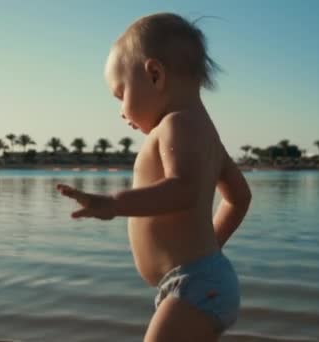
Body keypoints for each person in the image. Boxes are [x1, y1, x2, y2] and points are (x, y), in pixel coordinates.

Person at [57, 12, 252, 342]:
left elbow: (184, 188)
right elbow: (239, 197)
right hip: (200, 281)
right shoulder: (205, 134)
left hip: (195, 286)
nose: (121, 111)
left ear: (155, 75)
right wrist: (211, 249)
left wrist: (115, 204)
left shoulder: (177, 124)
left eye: (121, 95)